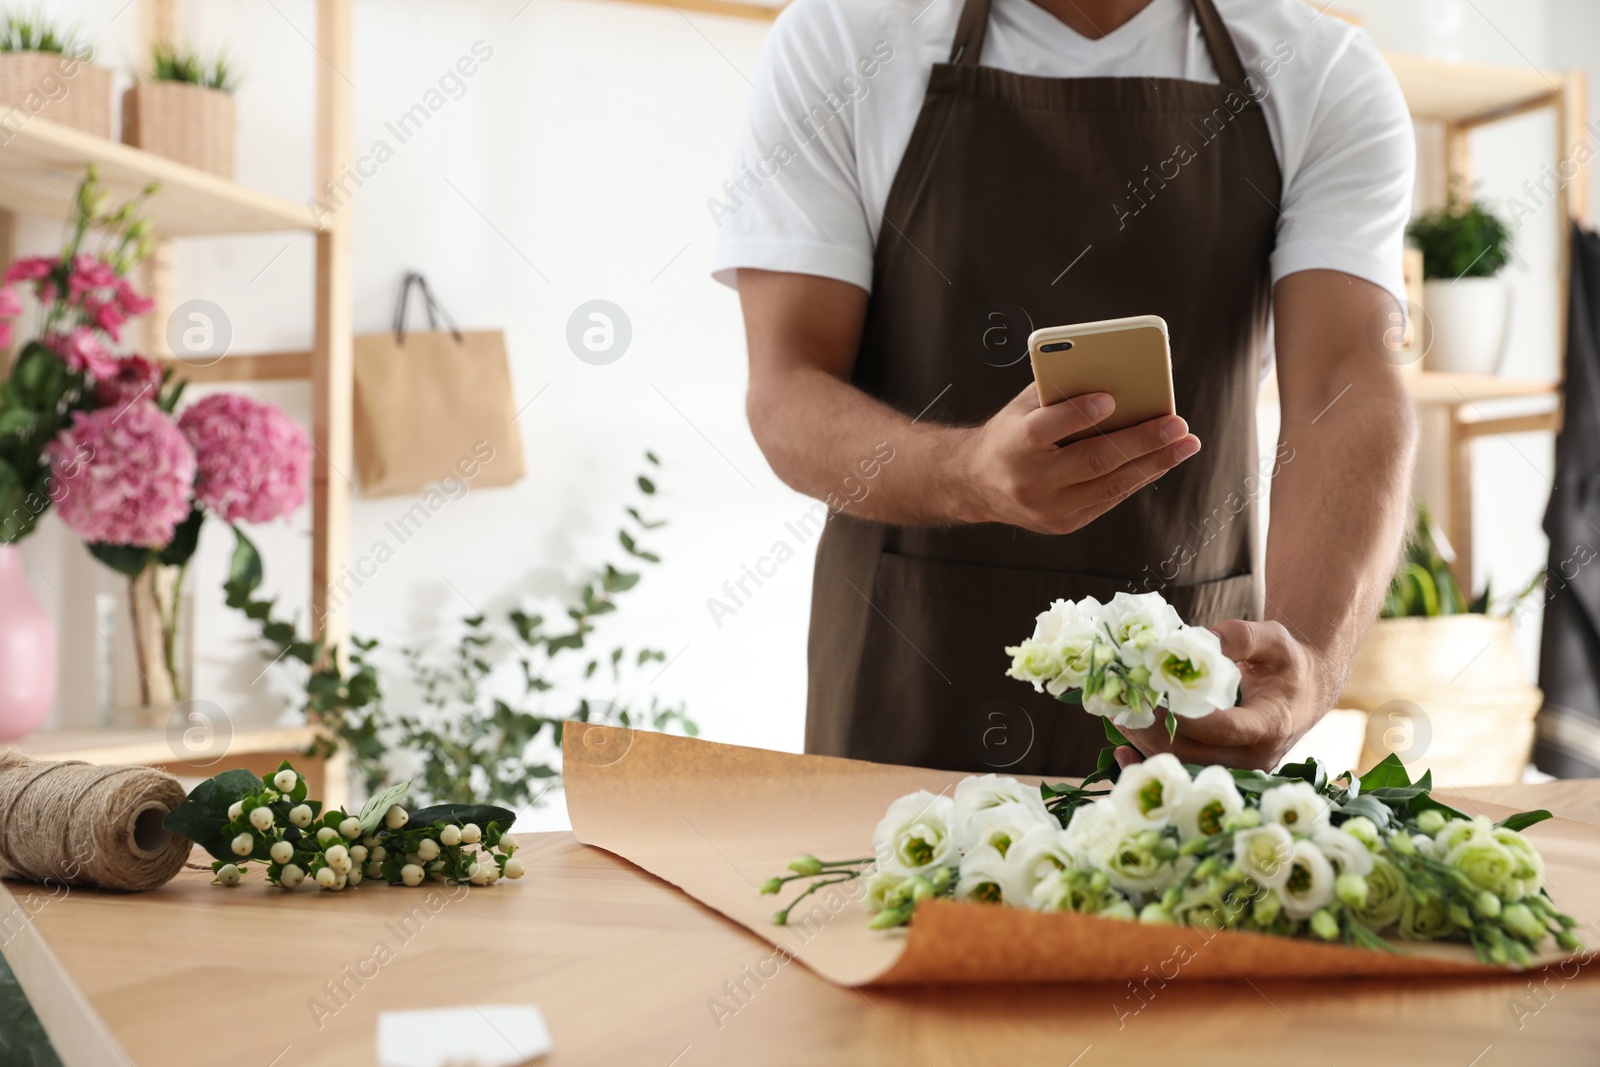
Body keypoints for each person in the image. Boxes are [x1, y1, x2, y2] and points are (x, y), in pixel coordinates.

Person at [714, 0, 1417, 774]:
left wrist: (1311, 662)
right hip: (904, 686)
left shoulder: (1321, 71)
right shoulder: (843, 40)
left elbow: (1345, 388)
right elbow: (788, 388)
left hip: (1189, 693)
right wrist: (967, 476)